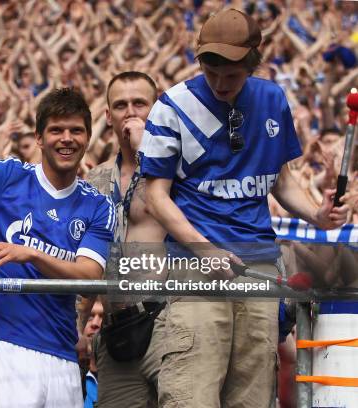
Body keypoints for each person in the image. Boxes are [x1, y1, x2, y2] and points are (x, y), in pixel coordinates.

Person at [138, 9, 350, 407]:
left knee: (253, 397)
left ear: (253, 62)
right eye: (210, 70)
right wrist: (206, 250)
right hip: (195, 270)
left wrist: (318, 216)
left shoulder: (272, 99)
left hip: (259, 268)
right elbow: (156, 198)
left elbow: (281, 180)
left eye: (232, 74)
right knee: (191, 394)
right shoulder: (172, 107)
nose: (219, 82)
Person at [0, 88, 115, 407]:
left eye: (76, 130)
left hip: (63, 357)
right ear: (39, 137)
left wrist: (31, 254)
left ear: (88, 137)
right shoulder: (7, 177)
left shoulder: (98, 205)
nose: (66, 138)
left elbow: (89, 276)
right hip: (2, 346)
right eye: (56, 129)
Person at [84, 71, 164, 407]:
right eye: (120, 105)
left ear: (156, 109)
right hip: (116, 328)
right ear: (107, 116)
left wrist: (148, 149)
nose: (129, 111)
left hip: (167, 321)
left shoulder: (178, 169)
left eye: (139, 103)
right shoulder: (96, 178)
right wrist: (79, 324)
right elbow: (87, 260)